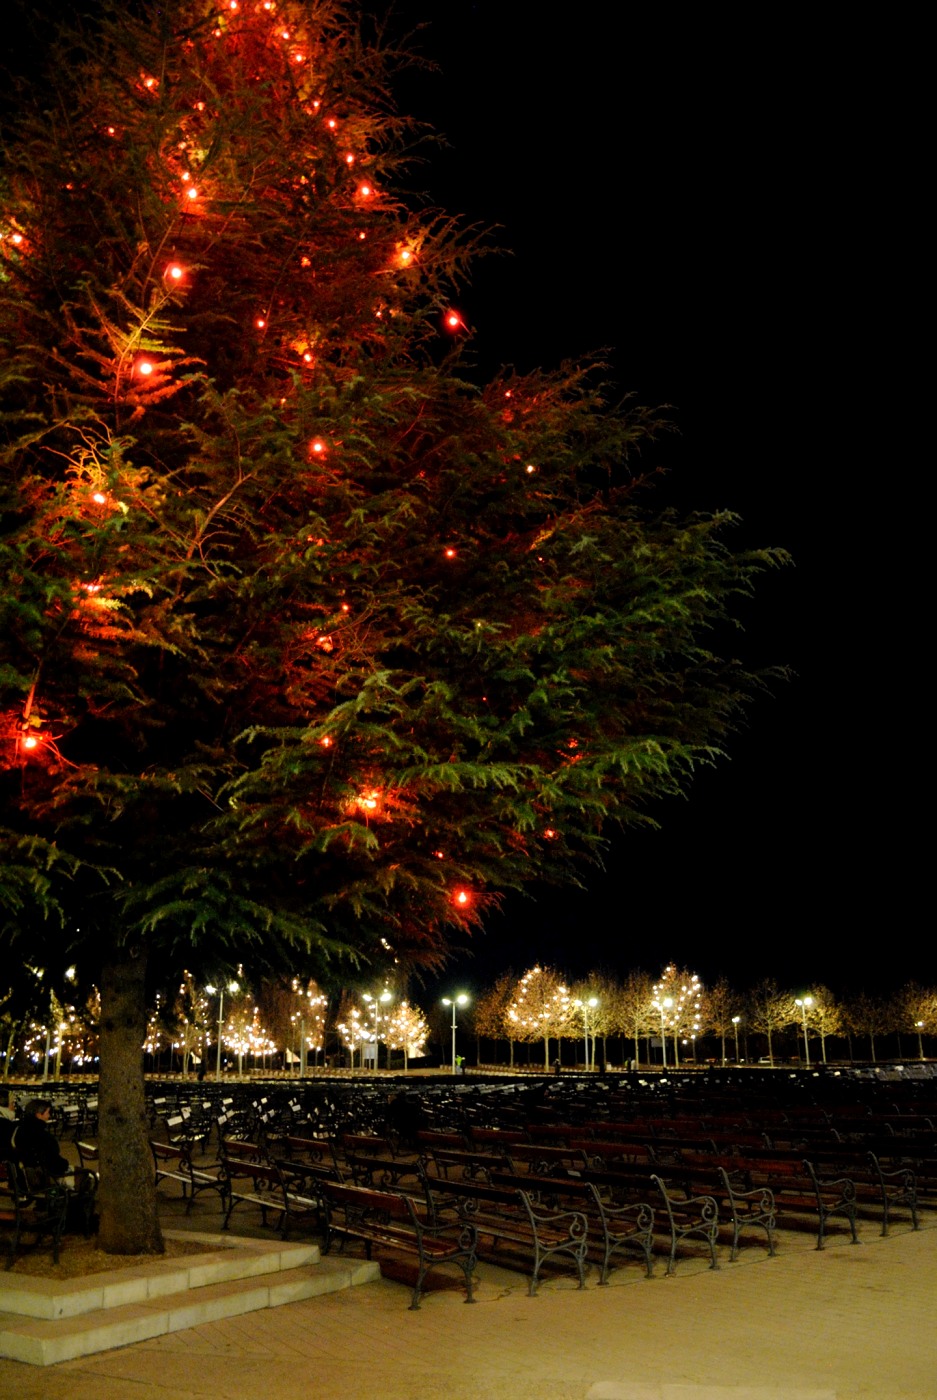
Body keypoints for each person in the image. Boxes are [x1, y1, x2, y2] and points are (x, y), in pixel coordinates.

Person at [0, 1099, 70, 1177]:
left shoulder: (17, 1129)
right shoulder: (43, 1136)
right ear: (38, 1115)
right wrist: (66, 1165)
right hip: (38, 1178)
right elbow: (54, 1163)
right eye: (47, 1113)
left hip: (18, 1175)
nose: (49, 1116)